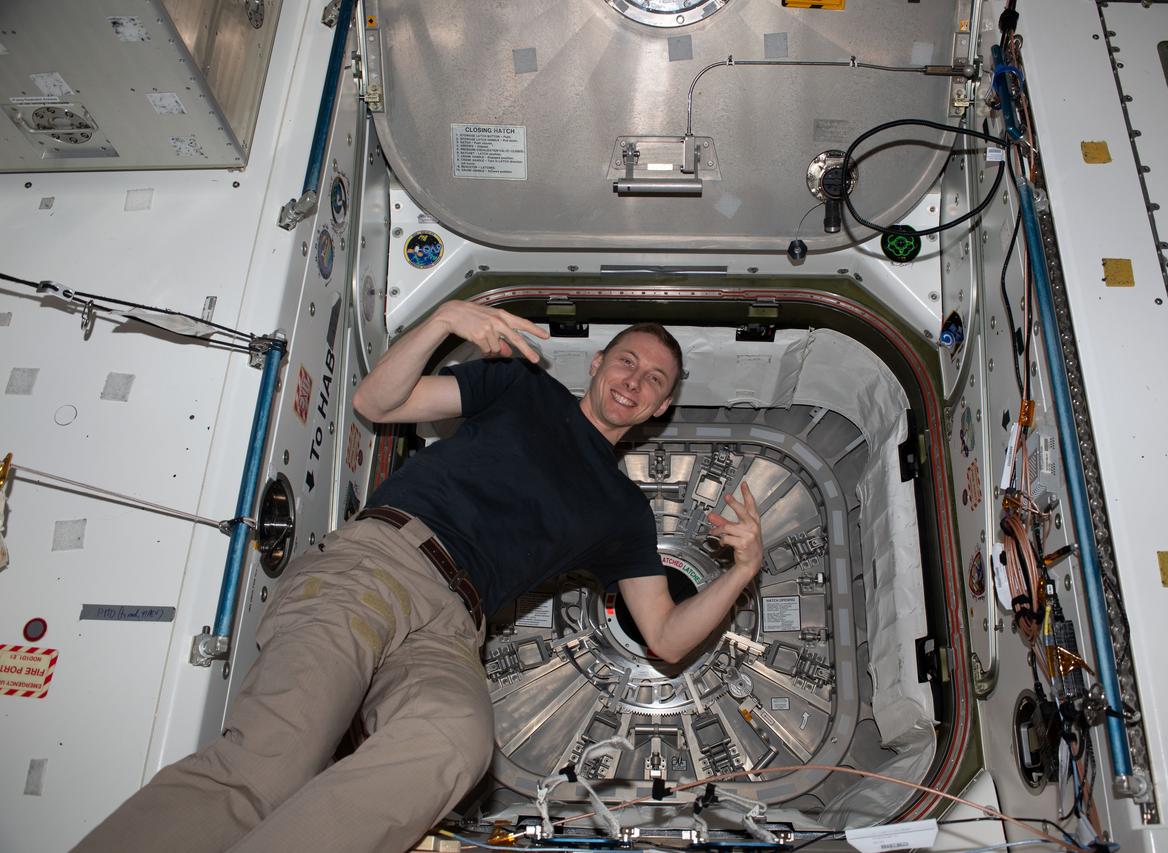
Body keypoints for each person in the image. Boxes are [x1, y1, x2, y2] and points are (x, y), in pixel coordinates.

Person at [73, 300, 764, 853]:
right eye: (628, 361)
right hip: (381, 564)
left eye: (654, 381)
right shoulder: (520, 386)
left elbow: (667, 638)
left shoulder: (623, 510)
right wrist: (443, 322)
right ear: (598, 364)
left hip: (454, 630)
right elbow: (378, 403)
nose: (635, 381)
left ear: (660, 409)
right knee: (271, 766)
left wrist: (743, 569)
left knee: (455, 743)